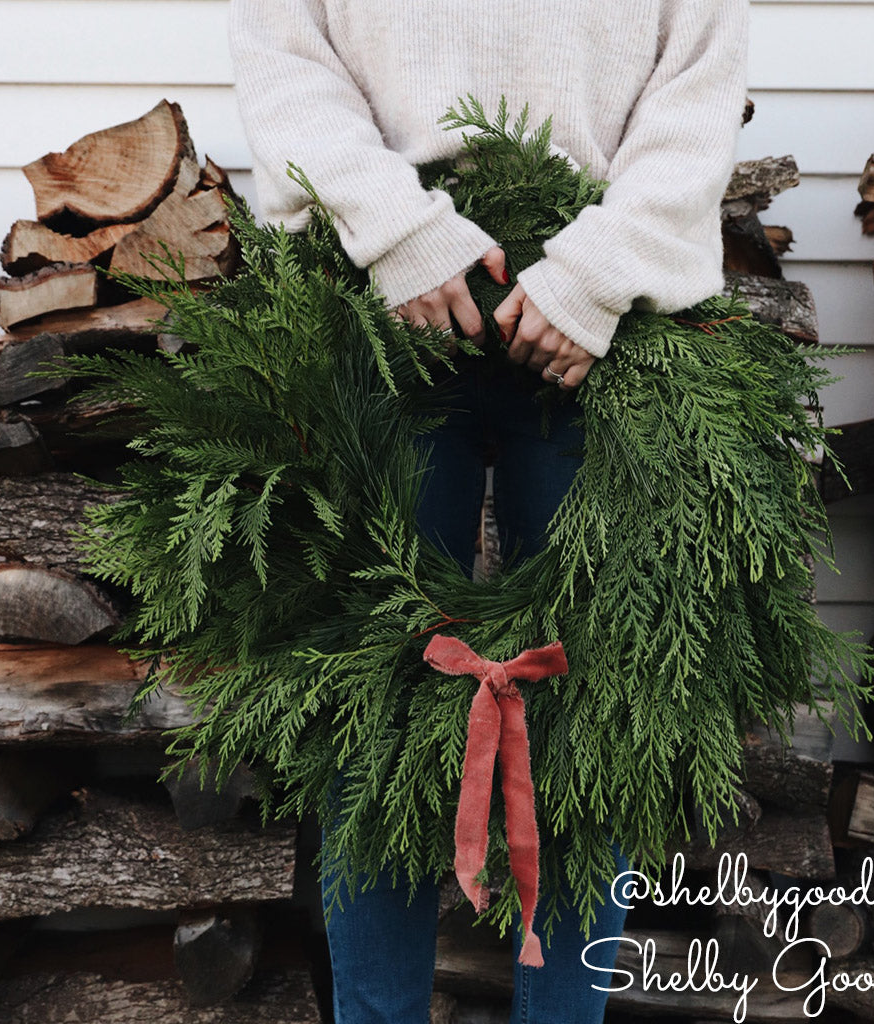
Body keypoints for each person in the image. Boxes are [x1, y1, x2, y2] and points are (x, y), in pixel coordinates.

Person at [228, 1, 749, 1020]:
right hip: (379, 307)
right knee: (374, 711)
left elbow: (696, 86)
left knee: (591, 708)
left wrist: (597, 274)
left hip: (609, 324)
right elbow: (283, 56)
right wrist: (401, 230)